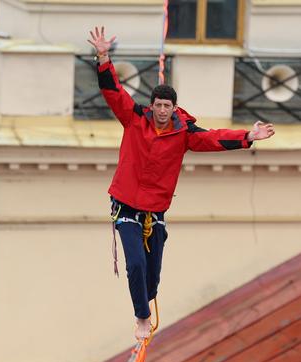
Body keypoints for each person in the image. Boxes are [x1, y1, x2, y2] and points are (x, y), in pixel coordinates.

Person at [87, 27, 275, 341]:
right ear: (152, 106)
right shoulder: (134, 119)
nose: (162, 111)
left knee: (153, 276)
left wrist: (248, 137)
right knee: (135, 264)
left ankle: (147, 300)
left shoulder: (184, 134)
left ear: (174, 108)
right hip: (127, 206)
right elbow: (113, 92)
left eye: (167, 106)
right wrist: (103, 56)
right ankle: (142, 318)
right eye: (158, 105)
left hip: (155, 212)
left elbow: (214, 138)